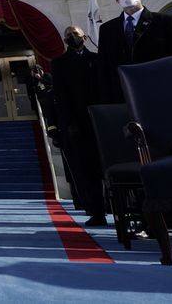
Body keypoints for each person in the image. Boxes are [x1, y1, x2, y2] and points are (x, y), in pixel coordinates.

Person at [96, 0, 172, 104]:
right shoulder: (107, 29)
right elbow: (104, 68)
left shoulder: (165, 21)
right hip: (125, 96)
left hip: (162, 92)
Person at [51, 25, 106, 226]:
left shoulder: (97, 60)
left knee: (106, 168)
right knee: (87, 170)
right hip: (77, 124)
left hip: (101, 121)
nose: (72, 37)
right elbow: (60, 97)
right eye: (68, 35)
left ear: (84, 36)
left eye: (75, 34)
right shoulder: (59, 64)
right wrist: (67, 124)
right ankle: (96, 211)